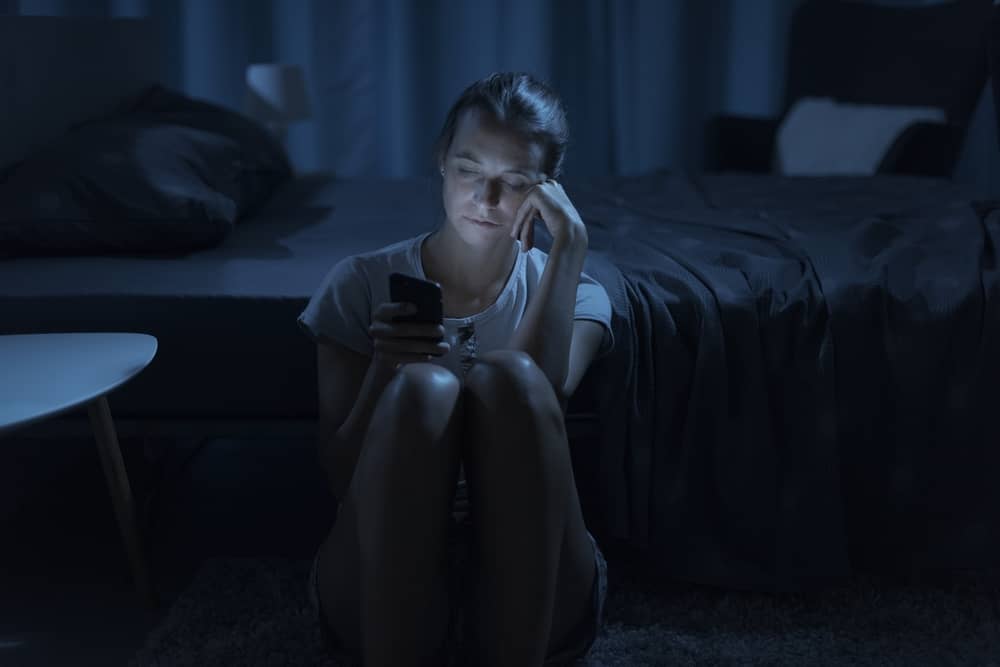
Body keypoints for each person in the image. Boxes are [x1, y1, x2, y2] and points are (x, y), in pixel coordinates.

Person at [298, 72, 614, 667]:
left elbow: (541, 396)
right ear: (442, 161)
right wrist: (385, 370)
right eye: (470, 171)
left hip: (534, 552)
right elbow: (341, 477)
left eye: (514, 182)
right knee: (422, 389)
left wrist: (568, 248)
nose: (488, 200)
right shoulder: (359, 285)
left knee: (511, 379)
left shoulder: (580, 294)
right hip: (389, 548)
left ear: (548, 190)